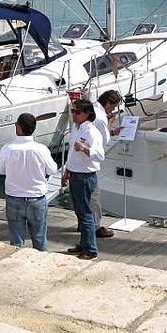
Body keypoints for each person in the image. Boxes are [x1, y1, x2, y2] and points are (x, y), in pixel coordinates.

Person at [0, 113, 57, 250]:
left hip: (14, 198)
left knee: (16, 242)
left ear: (18, 128)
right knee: (40, 239)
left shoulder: (8, 148)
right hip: (36, 198)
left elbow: (0, 170)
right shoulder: (41, 149)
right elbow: (53, 170)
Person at [61, 99, 104, 260]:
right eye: (72, 112)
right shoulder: (76, 128)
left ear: (87, 114)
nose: (74, 115)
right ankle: (84, 244)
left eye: (77, 112)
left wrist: (85, 149)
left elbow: (100, 155)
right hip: (75, 174)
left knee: (86, 213)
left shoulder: (92, 132)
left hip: (85, 177)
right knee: (80, 212)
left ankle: (91, 249)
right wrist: (67, 171)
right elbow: (72, 153)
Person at [90, 90, 122, 239]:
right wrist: (110, 124)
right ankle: (95, 226)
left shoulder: (90, 108)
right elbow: (104, 141)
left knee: (83, 196)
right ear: (108, 103)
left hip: (80, 159)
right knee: (94, 195)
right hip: (91, 161)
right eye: (112, 107)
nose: (112, 110)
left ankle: (84, 222)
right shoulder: (102, 118)